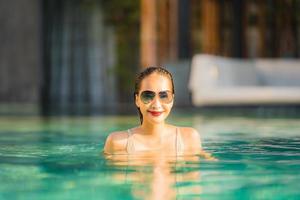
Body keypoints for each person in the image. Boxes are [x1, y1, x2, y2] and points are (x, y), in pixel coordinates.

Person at [104, 66, 208, 157]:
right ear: (137, 100)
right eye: (148, 96)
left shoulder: (189, 138)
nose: (156, 104)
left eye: (164, 96)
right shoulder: (118, 142)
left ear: (172, 100)